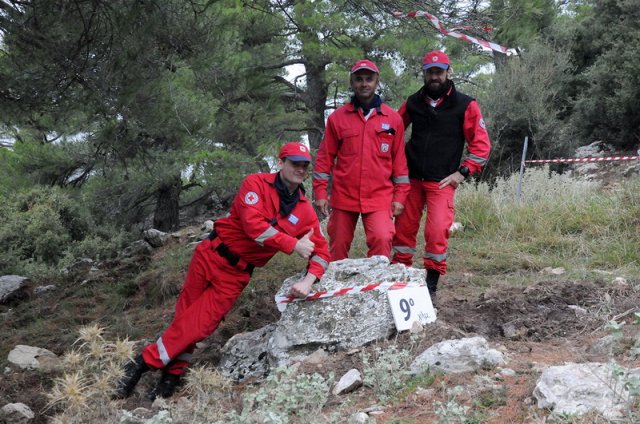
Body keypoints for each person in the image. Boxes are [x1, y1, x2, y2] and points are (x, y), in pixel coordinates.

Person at [114, 142, 329, 400]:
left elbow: (322, 252)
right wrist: (293, 244)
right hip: (209, 254)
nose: (300, 169)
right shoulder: (255, 183)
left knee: (200, 325)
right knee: (185, 318)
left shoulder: (305, 211)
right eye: (295, 163)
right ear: (280, 162)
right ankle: (171, 377)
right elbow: (254, 226)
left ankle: (140, 364)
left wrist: (308, 280)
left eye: (305, 165)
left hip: (236, 274)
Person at [391, 51, 491, 303]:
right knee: (402, 234)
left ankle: (430, 289)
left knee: (437, 233)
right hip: (411, 179)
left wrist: (463, 172)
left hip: (442, 181)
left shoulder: (465, 104)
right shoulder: (413, 102)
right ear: (423, 73)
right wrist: (393, 167)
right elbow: (391, 131)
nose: (434, 76)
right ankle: (397, 283)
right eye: (430, 72)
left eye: (439, 72)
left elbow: (481, 146)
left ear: (448, 72)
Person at [313, 59, 410, 261]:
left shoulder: (393, 119)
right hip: (344, 196)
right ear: (352, 82)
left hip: (379, 196)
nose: (364, 84)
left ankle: (375, 281)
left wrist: (400, 196)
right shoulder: (337, 118)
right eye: (359, 79)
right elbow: (324, 158)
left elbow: (400, 163)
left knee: (382, 239)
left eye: (369, 79)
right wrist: (320, 192)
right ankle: (337, 282)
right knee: (338, 246)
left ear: (377, 82)